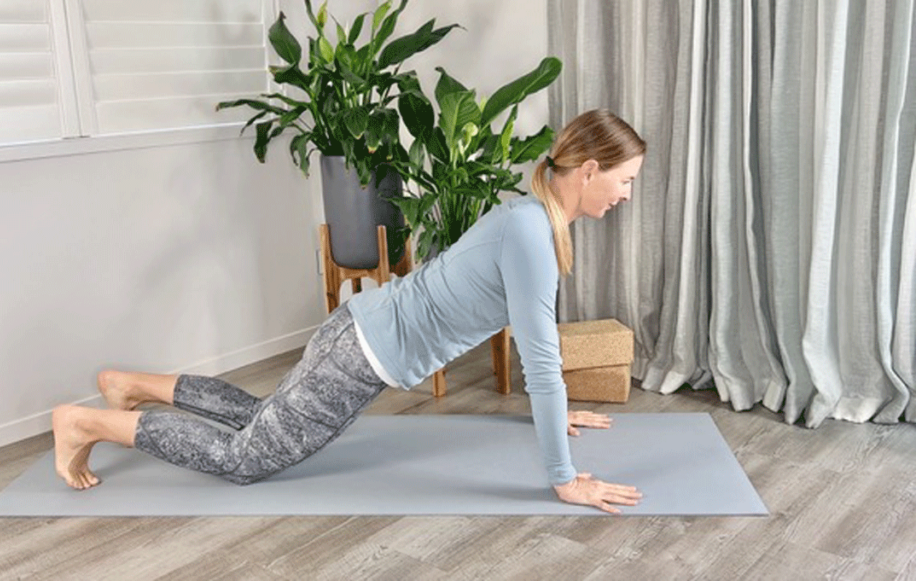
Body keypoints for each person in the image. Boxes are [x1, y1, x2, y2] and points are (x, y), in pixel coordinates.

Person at [52, 109, 647, 514]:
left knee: (261, 416)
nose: (625, 194)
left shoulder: (528, 221)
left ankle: (128, 385)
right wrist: (564, 478)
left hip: (360, 333)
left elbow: (526, 338)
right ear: (590, 170)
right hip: (360, 353)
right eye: (625, 180)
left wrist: (557, 411)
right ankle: (88, 424)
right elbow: (540, 359)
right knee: (245, 459)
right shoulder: (533, 234)